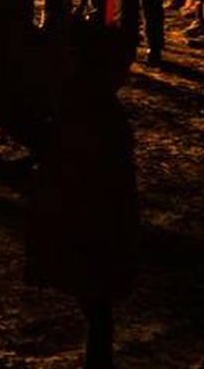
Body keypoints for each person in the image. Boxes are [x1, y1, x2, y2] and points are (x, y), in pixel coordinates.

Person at [25, 23, 138, 369]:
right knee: (97, 306)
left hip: (89, 221)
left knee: (95, 301)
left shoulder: (81, 112)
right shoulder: (100, 114)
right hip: (98, 220)